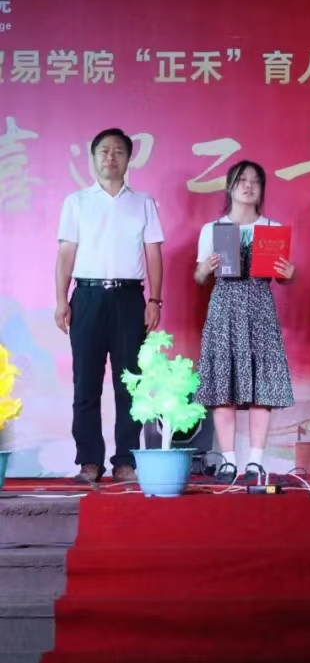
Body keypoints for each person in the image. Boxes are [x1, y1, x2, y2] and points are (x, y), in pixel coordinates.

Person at [54, 128, 164, 485]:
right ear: (93, 158)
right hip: (86, 298)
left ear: (129, 159)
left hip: (129, 299)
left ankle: (125, 461)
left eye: (118, 151)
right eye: (104, 151)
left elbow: (153, 253)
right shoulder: (76, 202)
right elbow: (66, 253)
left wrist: (154, 299)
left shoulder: (143, 202)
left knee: (129, 383)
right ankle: (89, 461)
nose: (110, 157)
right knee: (85, 383)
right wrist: (61, 299)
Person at [193, 161, 296, 482]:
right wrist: (205, 269)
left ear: (262, 190)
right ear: (230, 187)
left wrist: (289, 274)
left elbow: (282, 278)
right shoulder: (213, 229)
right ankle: (227, 461)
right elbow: (199, 277)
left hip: (260, 308)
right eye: (242, 180)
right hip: (224, 307)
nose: (248, 186)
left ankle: (255, 461)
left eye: (255, 181)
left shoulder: (272, 228)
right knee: (223, 384)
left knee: (261, 384)